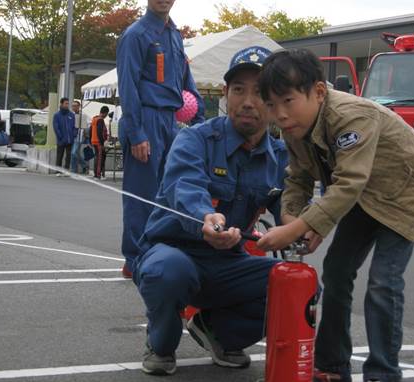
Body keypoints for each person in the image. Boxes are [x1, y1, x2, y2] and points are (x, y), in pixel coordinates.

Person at [257, 49, 414, 382]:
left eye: (288, 101)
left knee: (384, 282)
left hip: (408, 189)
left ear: (317, 92)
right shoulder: (294, 128)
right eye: (271, 105)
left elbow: (349, 183)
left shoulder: (350, 114)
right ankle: (332, 365)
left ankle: (383, 373)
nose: (281, 114)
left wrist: (307, 224)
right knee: (337, 269)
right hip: (367, 191)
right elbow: (299, 178)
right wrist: (292, 221)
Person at [133, 46, 287, 376]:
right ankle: (160, 343)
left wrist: (304, 226)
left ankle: (218, 331)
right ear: (224, 94)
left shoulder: (282, 156)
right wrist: (206, 216)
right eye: (238, 90)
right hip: (173, 252)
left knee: (297, 285)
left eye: (259, 92)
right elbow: (185, 185)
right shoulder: (194, 139)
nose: (247, 101)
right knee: (167, 272)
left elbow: (292, 207)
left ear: (275, 102)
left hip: (228, 265)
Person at [116, 0, 205, 278]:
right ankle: (135, 259)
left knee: (169, 194)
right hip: (145, 117)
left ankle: (157, 253)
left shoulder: (175, 35)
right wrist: (136, 132)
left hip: (171, 121)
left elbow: (185, 79)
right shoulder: (135, 35)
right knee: (141, 195)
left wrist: (200, 120)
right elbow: (127, 84)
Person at [52, 97, 75, 175]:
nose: (67, 105)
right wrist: (60, 137)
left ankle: (66, 170)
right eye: (66, 103)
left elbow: (74, 127)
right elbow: (56, 127)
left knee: (68, 156)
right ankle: (58, 171)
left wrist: (73, 135)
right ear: (61, 104)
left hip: (70, 140)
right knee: (60, 155)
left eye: (68, 103)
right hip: (61, 140)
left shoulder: (71, 115)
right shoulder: (57, 115)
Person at [70, 100, 90, 174]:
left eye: (75, 106)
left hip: (79, 136)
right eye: (73, 106)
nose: (73, 107)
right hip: (71, 136)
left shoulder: (83, 115)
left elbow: (89, 124)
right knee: (75, 153)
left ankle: (74, 169)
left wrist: (85, 129)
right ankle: (81, 167)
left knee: (74, 152)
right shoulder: (71, 114)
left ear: (79, 106)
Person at [90, 106, 109, 180]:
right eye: (106, 114)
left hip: (93, 140)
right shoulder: (100, 120)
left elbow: (90, 130)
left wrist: (90, 140)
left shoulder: (94, 118)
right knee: (99, 158)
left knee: (99, 157)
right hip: (98, 142)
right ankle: (97, 175)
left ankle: (98, 173)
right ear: (105, 113)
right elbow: (99, 132)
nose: (106, 116)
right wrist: (102, 142)